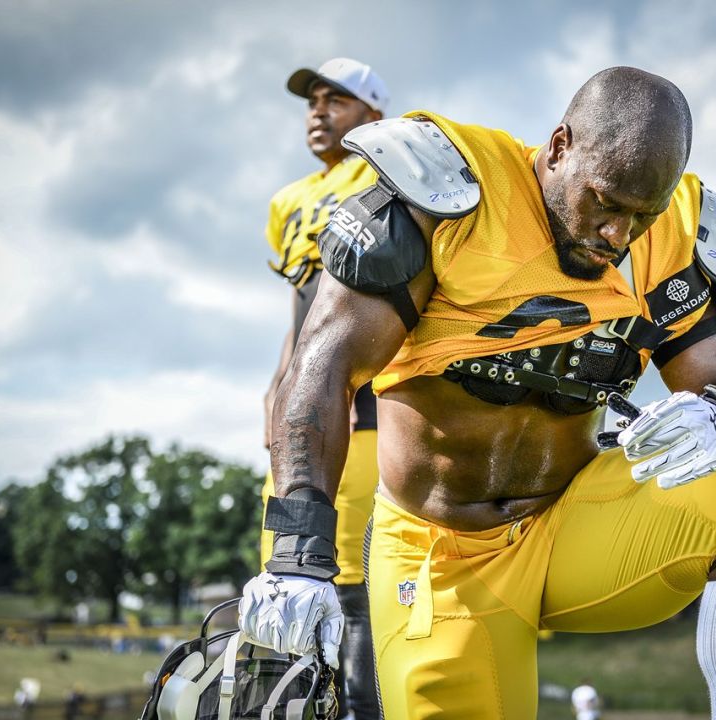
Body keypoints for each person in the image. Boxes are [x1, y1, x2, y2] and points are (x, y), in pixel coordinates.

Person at [242, 66, 716, 719]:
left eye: (642, 214)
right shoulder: (451, 190)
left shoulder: (675, 229)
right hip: (444, 552)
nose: (619, 236)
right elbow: (324, 364)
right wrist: (297, 553)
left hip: (571, 520)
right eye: (605, 202)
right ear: (560, 145)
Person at [257, 56, 388, 720]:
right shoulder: (287, 202)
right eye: (312, 100)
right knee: (281, 584)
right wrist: (279, 390)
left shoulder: (393, 171)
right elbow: (299, 310)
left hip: (364, 415)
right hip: (300, 420)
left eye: (337, 100)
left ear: (374, 115)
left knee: (352, 588)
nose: (317, 110)